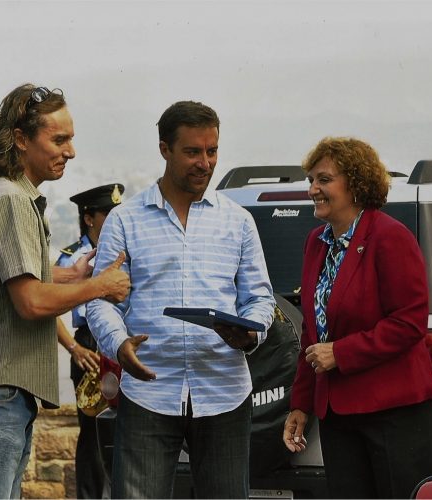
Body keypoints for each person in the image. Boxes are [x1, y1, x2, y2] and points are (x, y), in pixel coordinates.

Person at [0, 83, 131, 499]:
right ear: (21, 139)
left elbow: (8, 276)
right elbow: (31, 301)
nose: (70, 151)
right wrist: (98, 286)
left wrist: (73, 275)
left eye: (70, 139)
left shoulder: (3, 193)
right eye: (59, 140)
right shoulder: (10, 200)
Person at [86, 100, 275, 499]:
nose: (205, 163)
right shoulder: (125, 220)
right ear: (164, 149)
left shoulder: (238, 221)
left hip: (224, 391)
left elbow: (259, 297)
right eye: (192, 152)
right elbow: (102, 300)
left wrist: (251, 333)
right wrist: (118, 344)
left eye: (212, 151)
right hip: (148, 391)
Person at [282, 137, 432, 499]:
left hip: (395, 413)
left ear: (355, 184)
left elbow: (409, 322)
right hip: (338, 416)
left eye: (324, 180)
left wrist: (341, 353)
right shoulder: (316, 243)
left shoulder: (390, 237)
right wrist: (301, 404)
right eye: (311, 180)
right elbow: (312, 331)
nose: (313, 189)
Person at [56, 182, 126, 499]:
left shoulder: (127, 251)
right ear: (89, 218)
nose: (115, 218)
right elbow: (48, 308)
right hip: (90, 345)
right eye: (107, 213)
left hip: (122, 341)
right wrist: (74, 348)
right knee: (93, 434)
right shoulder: (72, 260)